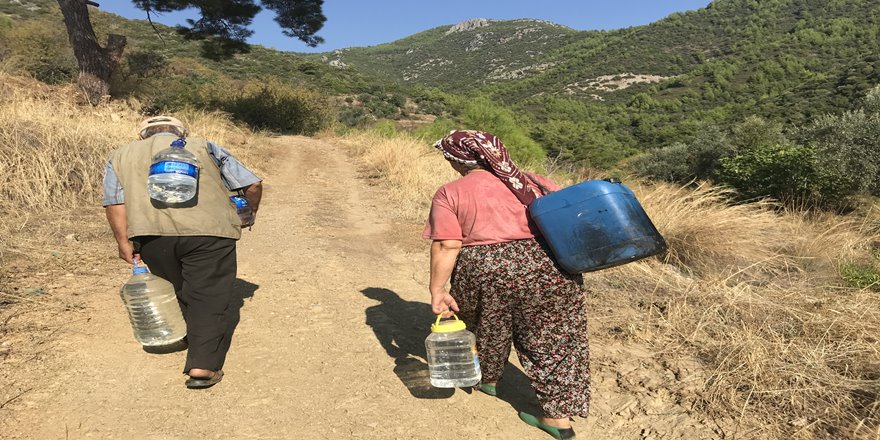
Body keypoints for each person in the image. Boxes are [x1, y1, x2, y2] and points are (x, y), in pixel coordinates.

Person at [423, 130, 591, 439]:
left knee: (488, 323)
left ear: (458, 160)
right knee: (555, 340)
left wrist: (437, 290)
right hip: (550, 268)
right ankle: (558, 419)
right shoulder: (534, 182)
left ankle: (487, 379)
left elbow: (447, 245)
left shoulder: (451, 192)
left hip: (487, 270)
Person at [102, 116, 262, 389]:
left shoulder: (119, 156)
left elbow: (115, 202)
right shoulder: (204, 147)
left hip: (151, 236)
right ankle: (202, 366)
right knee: (208, 296)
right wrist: (249, 212)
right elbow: (253, 185)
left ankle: (190, 335)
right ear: (182, 133)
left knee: (179, 287)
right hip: (209, 233)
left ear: (142, 136)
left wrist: (123, 242)